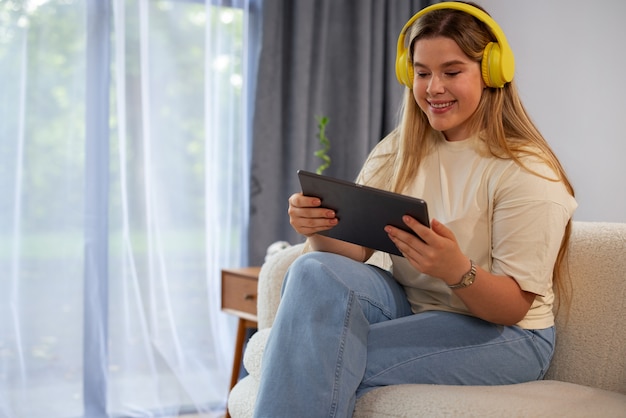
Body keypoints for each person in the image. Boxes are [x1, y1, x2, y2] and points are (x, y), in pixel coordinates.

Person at [253, 2, 577, 417]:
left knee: (314, 356)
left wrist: (456, 269)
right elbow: (355, 252)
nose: (433, 88)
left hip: (507, 334)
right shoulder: (398, 151)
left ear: (493, 72)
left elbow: (514, 307)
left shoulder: (526, 171)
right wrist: (317, 227)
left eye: (452, 72)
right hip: (410, 306)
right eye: (422, 73)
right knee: (311, 268)